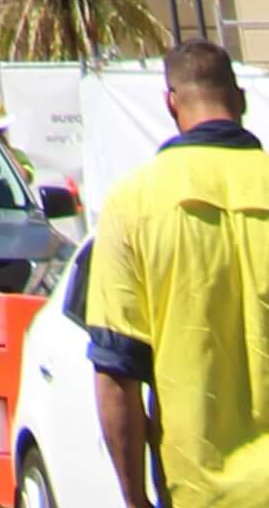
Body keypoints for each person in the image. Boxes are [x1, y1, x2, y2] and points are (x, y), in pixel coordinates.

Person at [83, 39, 269, 507]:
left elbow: (116, 372)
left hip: (197, 491)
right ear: (241, 99)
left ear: (171, 103)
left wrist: (135, 497)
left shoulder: (134, 203)